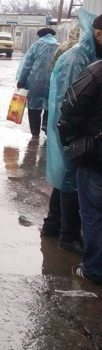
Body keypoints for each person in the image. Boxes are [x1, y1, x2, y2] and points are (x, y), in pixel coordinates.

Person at [44, 9, 100, 254]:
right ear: (98, 35)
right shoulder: (79, 57)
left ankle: (53, 225)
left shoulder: (86, 54)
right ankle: (68, 235)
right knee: (70, 179)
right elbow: (70, 100)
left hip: (71, 126)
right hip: (70, 128)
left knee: (65, 178)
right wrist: (70, 134)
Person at [58, 59, 102, 283]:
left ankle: (94, 270)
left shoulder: (95, 72)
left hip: (96, 159)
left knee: (94, 215)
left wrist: (71, 140)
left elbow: (70, 108)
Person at [16, 27, 59, 137]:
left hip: (35, 82)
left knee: (33, 107)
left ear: (40, 36)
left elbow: (27, 65)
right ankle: (46, 124)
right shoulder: (59, 46)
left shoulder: (36, 45)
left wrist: (21, 81)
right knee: (50, 104)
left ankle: (35, 133)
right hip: (53, 82)